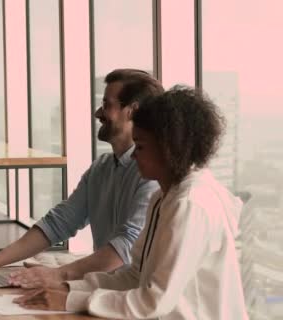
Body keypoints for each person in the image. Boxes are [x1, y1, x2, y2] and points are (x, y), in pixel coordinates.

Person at [14, 86, 248, 319]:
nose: (134, 155)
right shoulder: (162, 197)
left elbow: (153, 301)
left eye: (142, 146)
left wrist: (71, 299)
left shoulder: (190, 204)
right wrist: (68, 289)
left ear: (170, 149)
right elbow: (134, 277)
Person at [0, 69, 162, 288]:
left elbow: (125, 246)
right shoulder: (101, 168)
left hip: (133, 298)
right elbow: (60, 221)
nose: (98, 113)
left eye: (107, 104)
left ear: (132, 111)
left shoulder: (151, 175)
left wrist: (57, 275)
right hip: (102, 288)